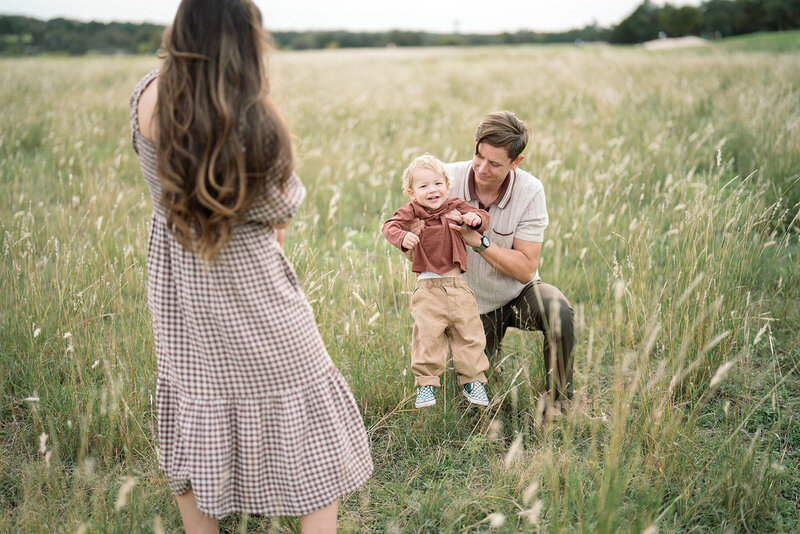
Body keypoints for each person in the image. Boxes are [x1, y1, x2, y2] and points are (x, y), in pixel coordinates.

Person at [129, 1, 372, 532]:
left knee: (196, 402)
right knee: (306, 414)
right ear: (246, 42)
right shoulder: (256, 121)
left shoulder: (149, 96)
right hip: (255, 292)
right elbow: (278, 216)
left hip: (180, 291)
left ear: (183, 28)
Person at [444, 111, 575, 414]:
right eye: (478, 156)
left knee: (558, 310)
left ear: (516, 163)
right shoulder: (447, 178)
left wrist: (479, 243)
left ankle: (558, 404)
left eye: (494, 164)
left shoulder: (530, 190)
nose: (481, 168)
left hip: (517, 294)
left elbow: (526, 268)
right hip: (470, 306)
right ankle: (490, 361)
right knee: (471, 404)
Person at [382, 154, 492, 409]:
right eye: (423, 186)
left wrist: (475, 220)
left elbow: (481, 216)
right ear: (412, 193)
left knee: (469, 333)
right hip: (428, 287)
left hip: (457, 286)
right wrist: (402, 237)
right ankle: (426, 384)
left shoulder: (456, 206)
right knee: (427, 336)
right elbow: (389, 226)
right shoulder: (411, 212)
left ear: (447, 185)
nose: (432, 190)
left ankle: (473, 380)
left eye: (437, 184)